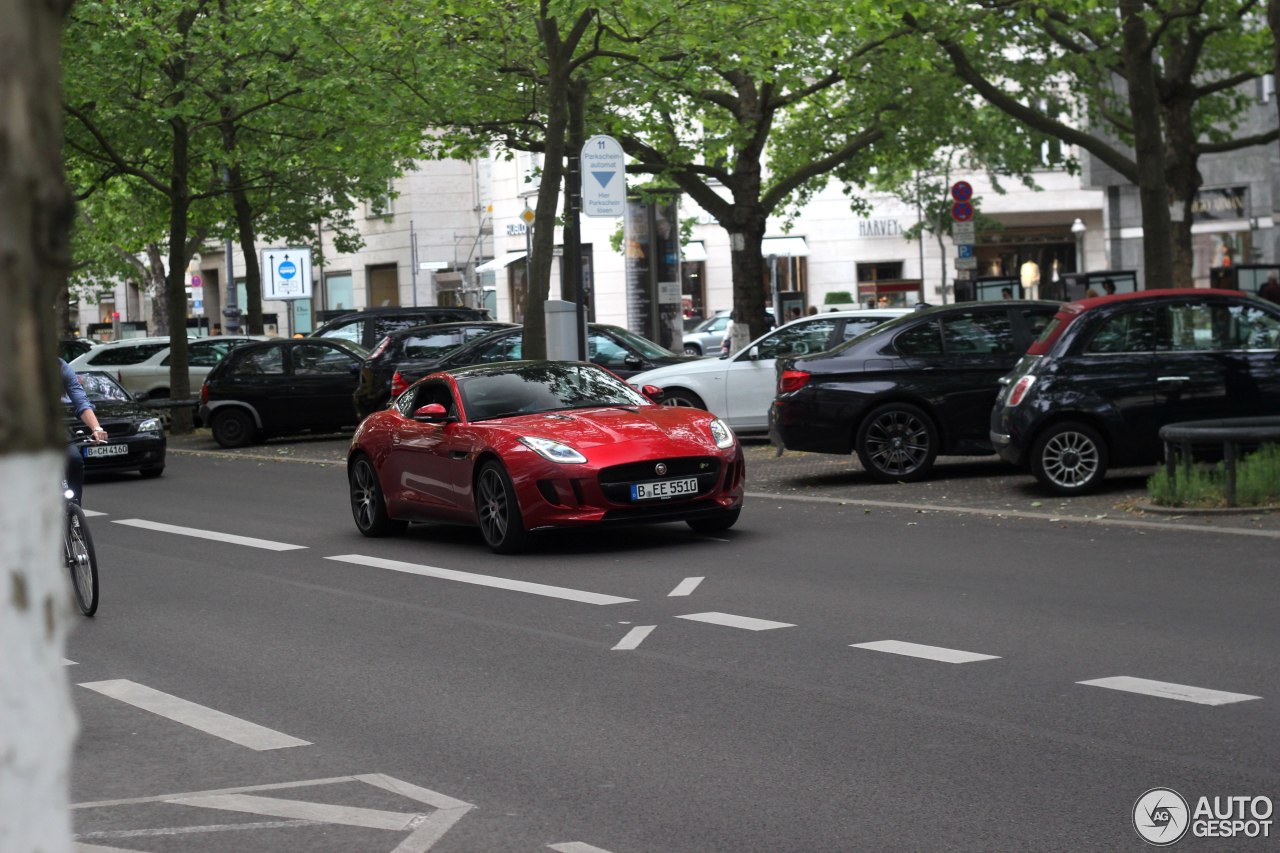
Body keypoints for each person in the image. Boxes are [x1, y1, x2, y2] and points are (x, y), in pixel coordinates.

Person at [61, 358, 107, 506]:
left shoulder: (60, 367)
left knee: (74, 460)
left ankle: (74, 510)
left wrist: (96, 428)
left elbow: (80, 401)